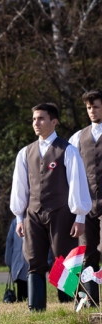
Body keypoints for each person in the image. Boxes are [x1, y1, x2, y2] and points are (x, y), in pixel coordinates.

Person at [11, 103, 91, 311]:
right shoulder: (25, 153)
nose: (36, 123)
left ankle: (69, 305)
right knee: (34, 260)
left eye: (41, 119)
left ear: (54, 122)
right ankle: (35, 308)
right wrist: (20, 217)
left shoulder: (68, 151)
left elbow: (77, 184)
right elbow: (20, 188)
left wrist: (80, 217)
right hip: (34, 214)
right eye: (34, 119)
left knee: (65, 260)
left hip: (61, 213)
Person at [69, 89, 102, 307]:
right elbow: (71, 173)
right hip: (87, 205)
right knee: (87, 255)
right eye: (88, 107)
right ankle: (90, 302)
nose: (91, 111)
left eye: (96, 106)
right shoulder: (77, 138)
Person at [4, 218, 28, 302]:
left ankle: (23, 300)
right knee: (23, 284)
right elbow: (9, 242)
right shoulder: (15, 222)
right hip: (19, 260)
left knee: (23, 284)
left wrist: (9, 261)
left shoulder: (15, 221)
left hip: (20, 261)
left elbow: (9, 242)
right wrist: (8, 260)